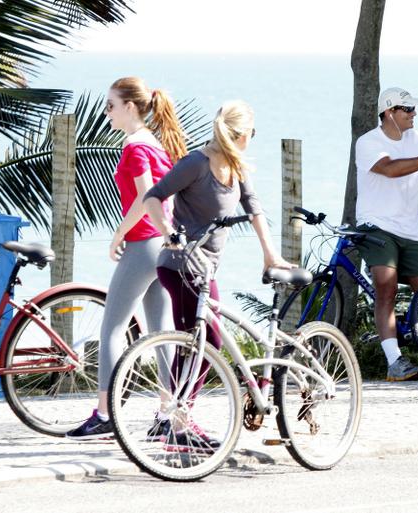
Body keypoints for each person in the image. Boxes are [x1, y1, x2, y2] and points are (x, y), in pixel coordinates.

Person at [143, 100, 294, 451]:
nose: (251, 139)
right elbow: (153, 196)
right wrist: (167, 231)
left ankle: (168, 418)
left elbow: (254, 209)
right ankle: (178, 425)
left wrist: (270, 255)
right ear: (240, 134)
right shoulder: (196, 163)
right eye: (251, 133)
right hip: (180, 265)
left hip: (205, 267)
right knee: (202, 343)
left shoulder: (237, 167)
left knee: (196, 343)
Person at [67, 77, 184, 439]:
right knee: (162, 332)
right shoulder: (155, 143)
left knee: (112, 329)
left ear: (130, 107)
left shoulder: (135, 146)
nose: (107, 113)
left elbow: (146, 196)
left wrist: (119, 232)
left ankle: (105, 412)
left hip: (143, 243)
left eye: (111, 105)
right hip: (163, 246)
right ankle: (169, 414)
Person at [355, 87, 418, 381]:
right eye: (408, 110)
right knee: (385, 289)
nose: (414, 114)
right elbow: (389, 169)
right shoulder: (368, 142)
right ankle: (395, 362)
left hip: (411, 230)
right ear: (389, 112)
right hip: (376, 226)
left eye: (414, 109)